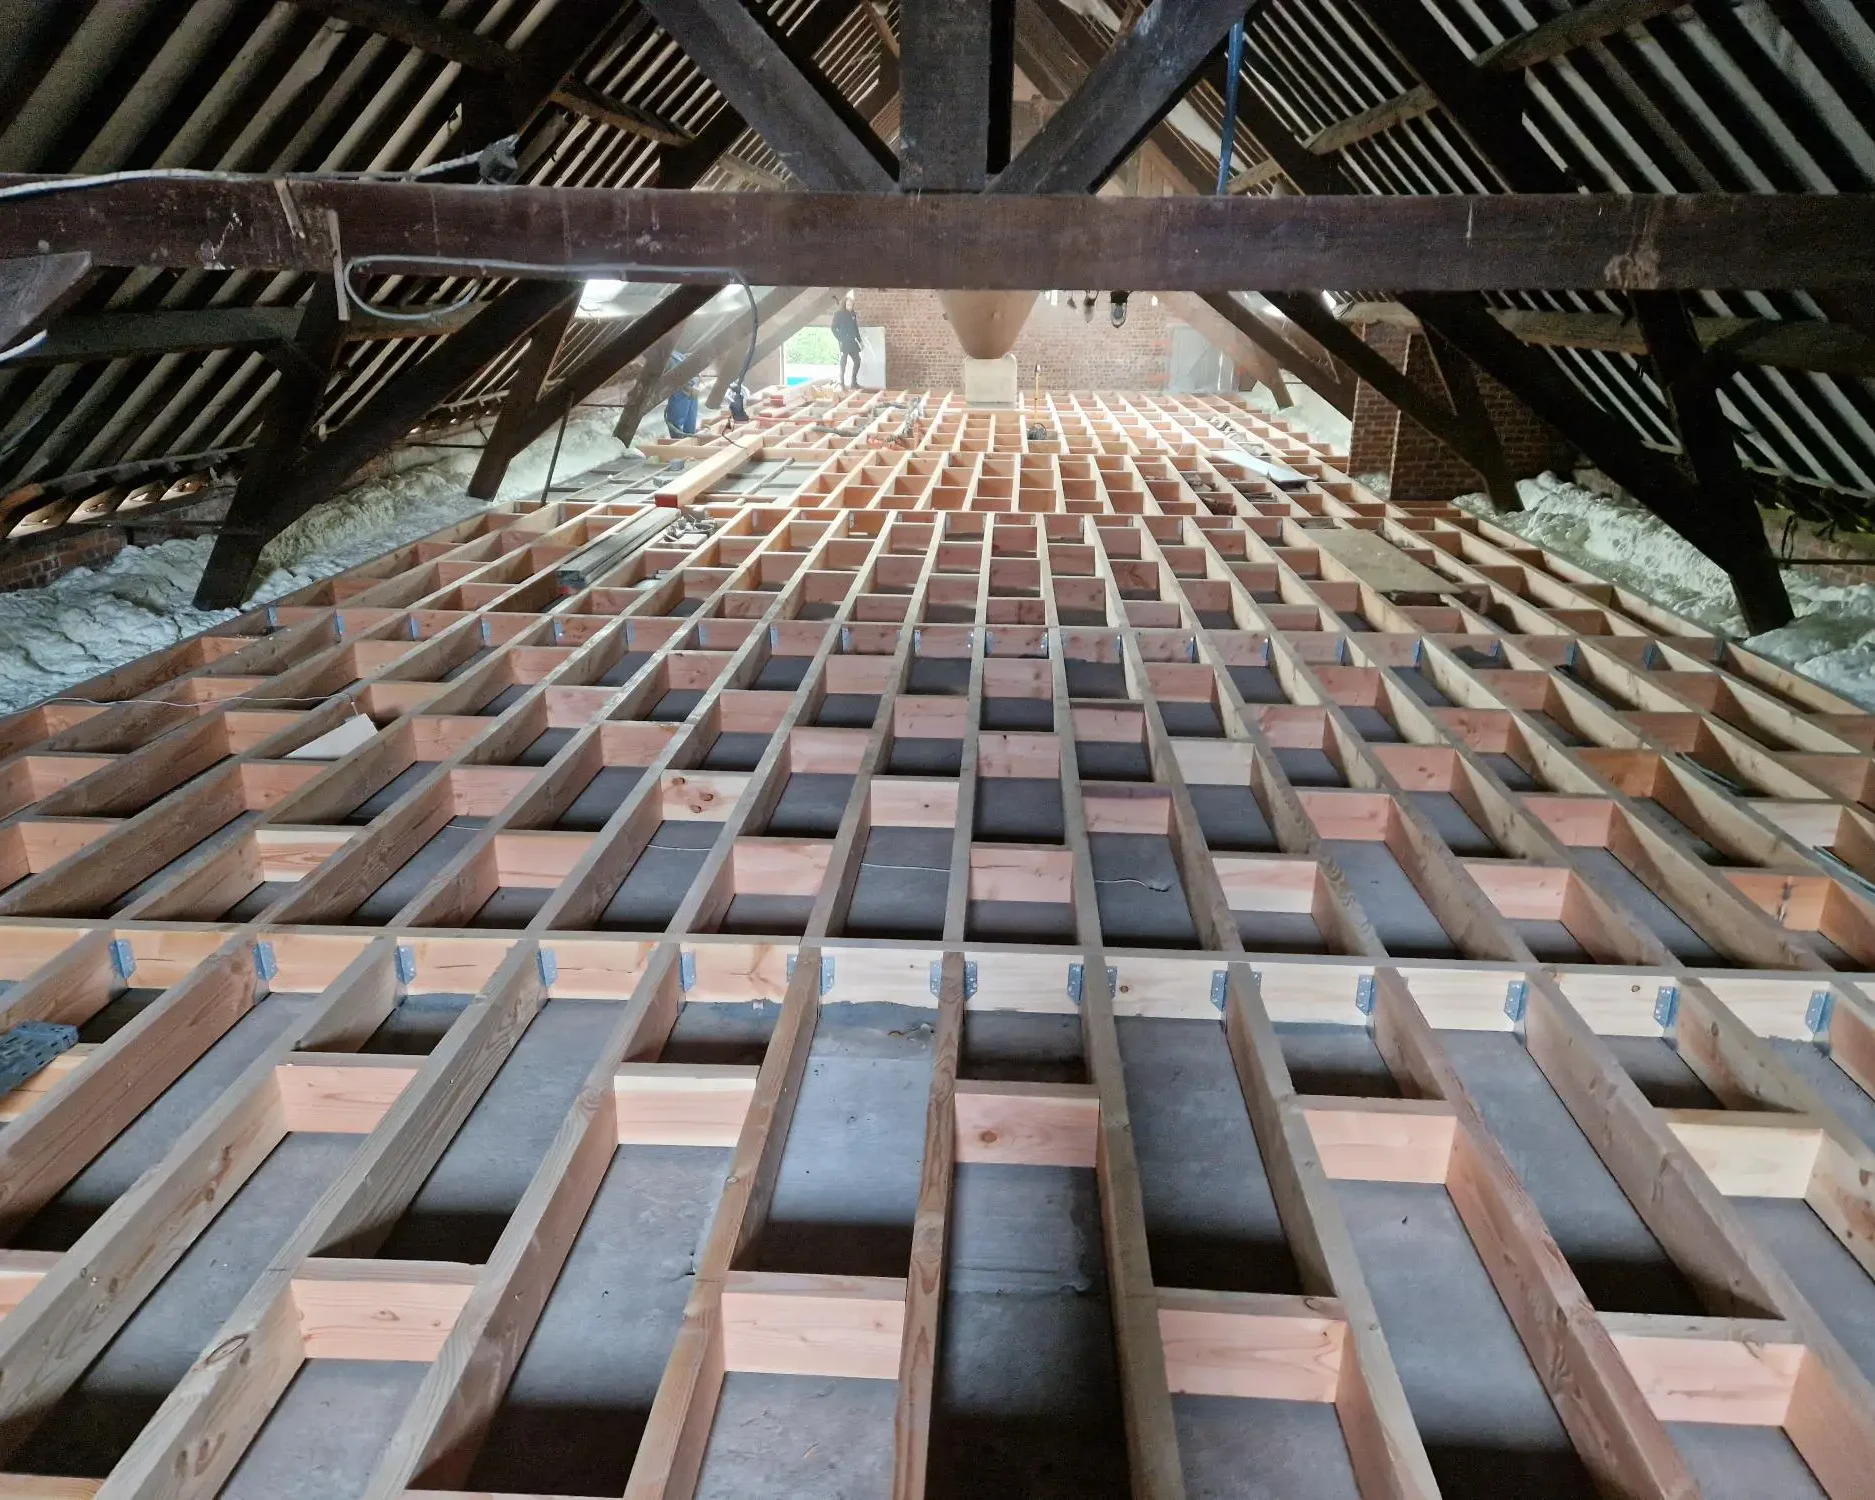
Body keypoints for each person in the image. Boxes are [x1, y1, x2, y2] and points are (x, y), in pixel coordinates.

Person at [831, 292, 865, 389]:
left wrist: (860, 341)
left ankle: (853, 382)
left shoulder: (853, 314)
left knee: (857, 361)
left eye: (851, 305)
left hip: (852, 342)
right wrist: (840, 338)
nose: (850, 306)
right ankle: (842, 383)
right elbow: (833, 328)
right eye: (848, 304)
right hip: (844, 342)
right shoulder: (838, 314)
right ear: (845, 304)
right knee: (843, 363)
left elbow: (855, 328)